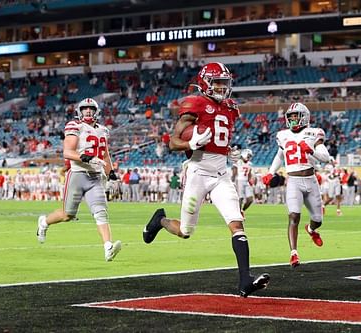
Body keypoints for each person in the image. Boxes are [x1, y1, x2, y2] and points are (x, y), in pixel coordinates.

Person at [142, 62, 269, 297]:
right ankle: (159, 221)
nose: (222, 87)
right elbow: (172, 142)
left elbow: (219, 138)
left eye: (224, 82)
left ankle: (244, 281)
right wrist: (190, 144)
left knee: (236, 223)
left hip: (221, 174)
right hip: (198, 173)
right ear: (205, 83)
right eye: (217, 82)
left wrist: (229, 150)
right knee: (186, 231)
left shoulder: (230, 107)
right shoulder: (196, 103)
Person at [36, 98, 121, 262]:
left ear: (96, 111)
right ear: (79, 112)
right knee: (67, 215)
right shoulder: (75, 126)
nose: (88, 112)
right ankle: (44, 222)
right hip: (77, 174)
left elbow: (104, 155)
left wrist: (112, 174)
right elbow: (68, 152)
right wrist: (87, 158)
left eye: (91, 109)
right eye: (85, 109)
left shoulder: (103, 130)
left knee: (101, 212)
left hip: (96, 177)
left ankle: (108, 247)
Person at [262, 102, 331, 268]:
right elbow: (280, 155)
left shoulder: (314, 132)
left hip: (310, 180)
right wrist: (271, 171)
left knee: (318, 219)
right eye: (290, 117)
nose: (293, 120)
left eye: (296, 116)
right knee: (294, 215)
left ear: (304, 117)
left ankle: (312, 230)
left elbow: (326, 157)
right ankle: (294, 253)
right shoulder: (283, 135)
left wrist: (311, 150)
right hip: (293, 180)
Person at [232, 148, 255, 215]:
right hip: (239, 180)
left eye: (250, 156)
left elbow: (249, 174)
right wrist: (233, 182)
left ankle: (242, 210)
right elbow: (234, 173)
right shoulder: (238, 162)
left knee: (250, 199)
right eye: (248, 156)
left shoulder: (250, 164)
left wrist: (250, 181)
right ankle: (238, 213)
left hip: (246, 182)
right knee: (240, 198)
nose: (249, 158)